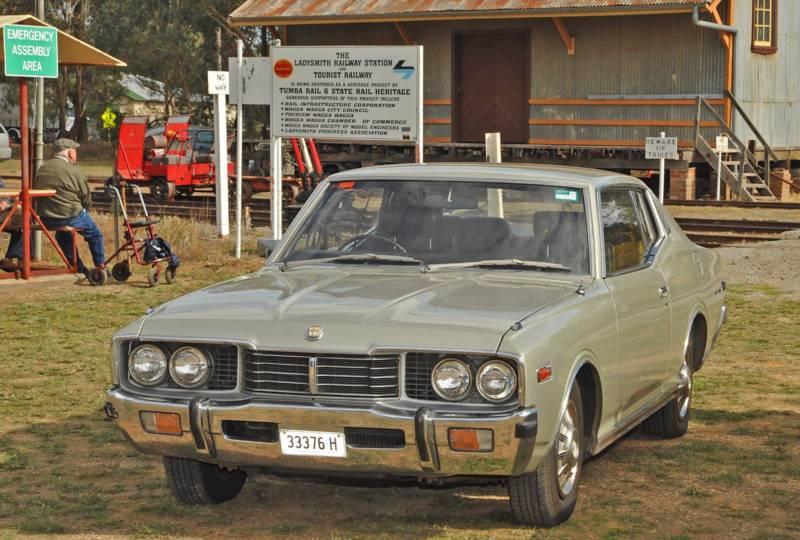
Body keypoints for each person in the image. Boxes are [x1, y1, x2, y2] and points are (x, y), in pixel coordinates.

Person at [13, 138, 105, 278]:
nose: (76, 154)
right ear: (69, 153)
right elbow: (86, 196)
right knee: (95, 234)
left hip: (46, 218)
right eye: (74, 151)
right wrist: (85, 208)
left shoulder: (42, 168)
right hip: (70, 215)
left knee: (63, 235)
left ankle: (79, 268)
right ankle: (100, 267)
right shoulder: (73, 171)